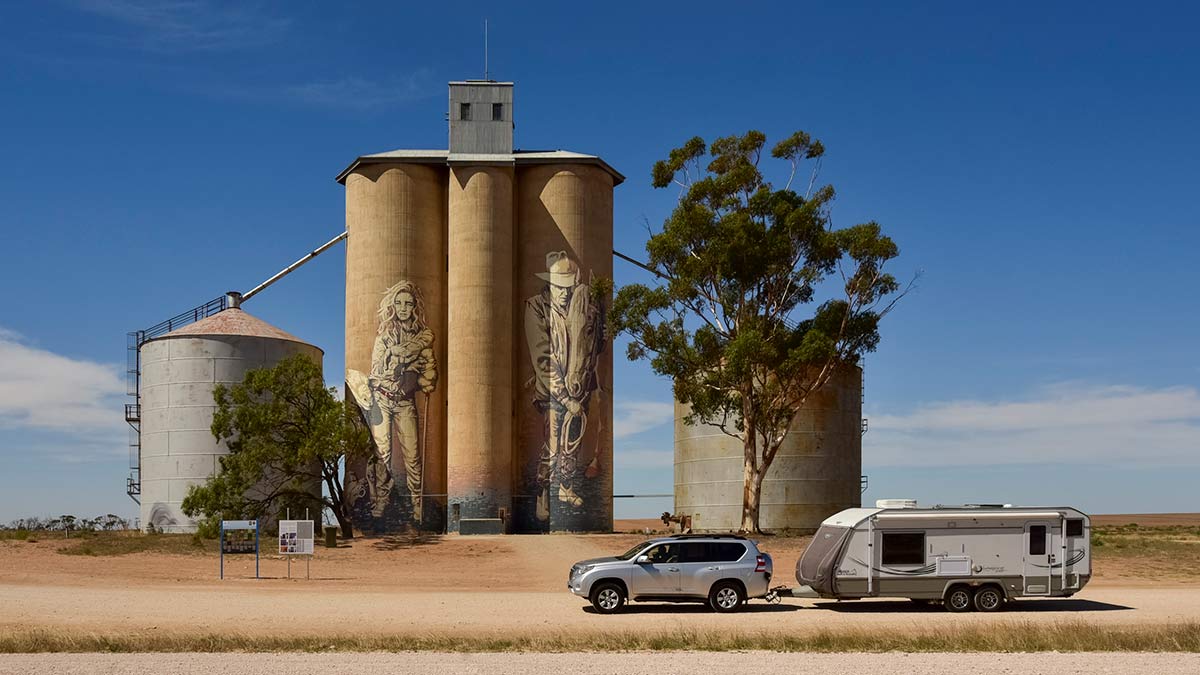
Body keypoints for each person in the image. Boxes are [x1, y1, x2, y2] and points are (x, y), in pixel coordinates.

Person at [524, 251, 605, 521]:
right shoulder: (536, 306)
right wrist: (564, 395)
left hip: (580, 386)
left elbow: (594, 345)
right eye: (559, 287)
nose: (563, 293)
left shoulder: (582, 305)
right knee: (551, 444)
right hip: (552, 391)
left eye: (568, 287)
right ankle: (543, 493)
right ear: (549, 283)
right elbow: (542, 357)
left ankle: (566, 487)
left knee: (573, 441)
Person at [347, 280, 436, 522]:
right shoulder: (384, 336)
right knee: (382, 454)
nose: (403, 308)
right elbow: (378, 372)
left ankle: (418, 505)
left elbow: (429, 364)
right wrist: (407, 363)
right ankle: (380, 501)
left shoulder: (422, 334)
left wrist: (406, 361)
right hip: (382, 400)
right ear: (393, 306)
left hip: (405, 401)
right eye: (399, 303)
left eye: (408, 303)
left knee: (413, 456)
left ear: (415, 306)